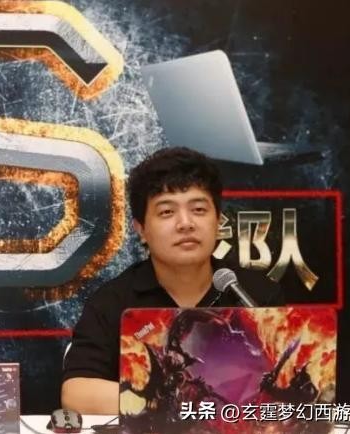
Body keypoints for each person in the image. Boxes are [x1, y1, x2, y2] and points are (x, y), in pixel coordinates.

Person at [61, 147, 285, 414]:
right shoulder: (113, 302)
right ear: (141, 229)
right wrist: (180, 406)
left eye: (199, 209)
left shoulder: (256, 294)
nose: (185, 223)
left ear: (218, 222)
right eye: (167, 212)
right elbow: (76, 394)